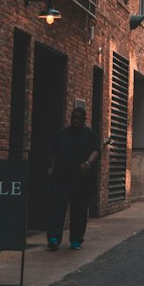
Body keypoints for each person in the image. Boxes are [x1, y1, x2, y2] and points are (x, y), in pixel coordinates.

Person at [46, 104, 101, 251]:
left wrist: (89, 163)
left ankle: (76, 239)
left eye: (78, 119)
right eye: (73, 118)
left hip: (81, 181)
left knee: (79, 212)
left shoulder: (90, 135)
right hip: (61, 177)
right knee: (57, 209)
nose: (75, 121)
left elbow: (96, 151)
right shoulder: (62, 133)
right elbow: (55, 152)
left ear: (84, 120)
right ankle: (53, 238)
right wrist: (52, 167)